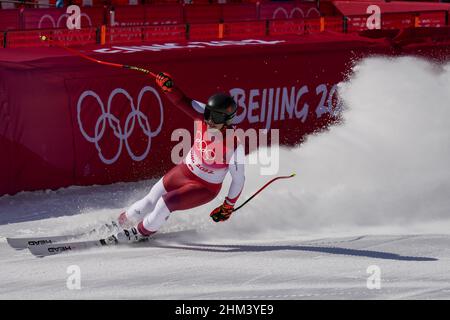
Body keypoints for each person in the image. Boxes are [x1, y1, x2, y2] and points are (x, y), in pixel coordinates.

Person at [111, 72, 246, 243]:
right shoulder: (205, 115)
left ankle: (140, 231)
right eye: (209, 114)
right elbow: (181, 100)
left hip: (204, 187)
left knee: (166, 202)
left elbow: (238, 180)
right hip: (183, 171)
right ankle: (121, 222)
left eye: (217, 117)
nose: (210, 121)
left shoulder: (233, 144)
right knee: (149, 201)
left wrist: (228, 205)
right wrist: (169, 87)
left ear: (227, 120)